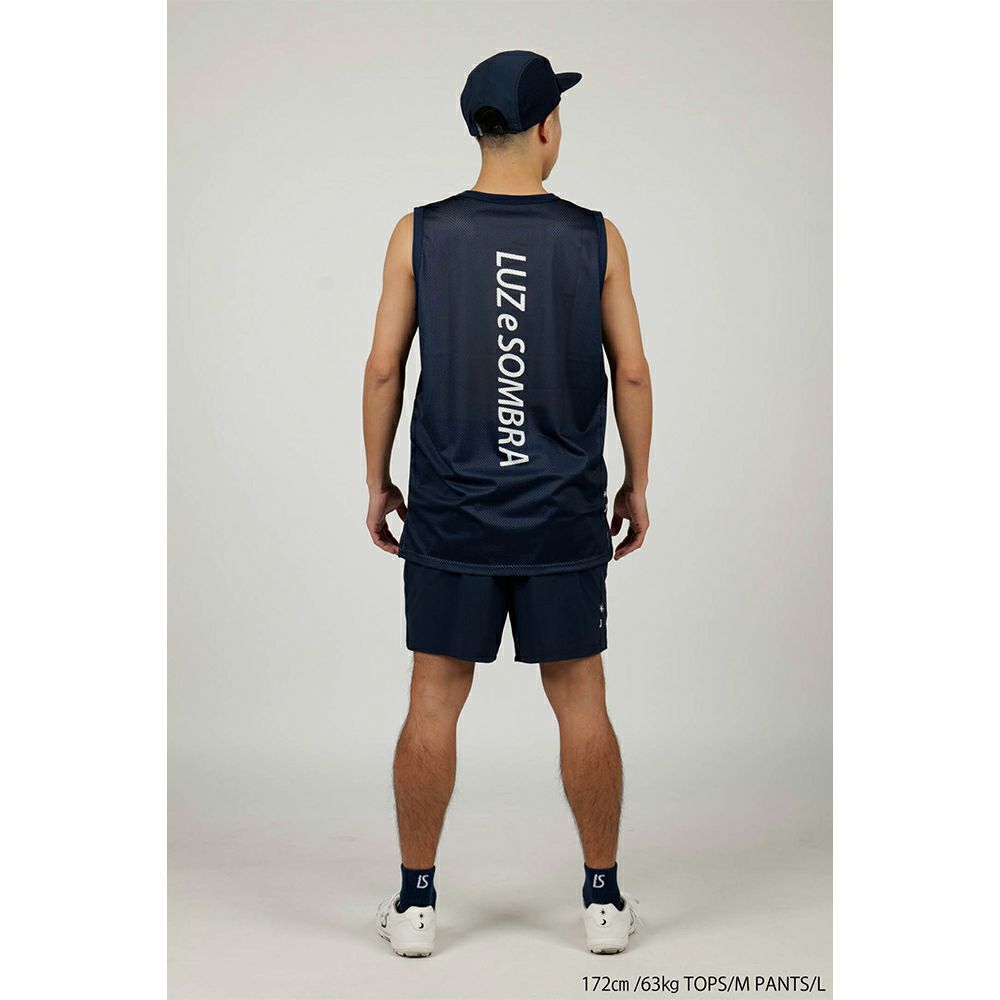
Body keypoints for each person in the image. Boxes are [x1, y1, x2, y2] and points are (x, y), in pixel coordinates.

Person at [363, 50, 652, 957]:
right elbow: (631, 372)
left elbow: (384, 369)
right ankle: (602, 902)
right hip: (562, 517)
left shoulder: (418, 233)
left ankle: (416, 906)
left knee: (433, 700)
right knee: (582, 700)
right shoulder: (597, 237)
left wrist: (377, 482)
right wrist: (637, 484)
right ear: (546, 127)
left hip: (451, 516)